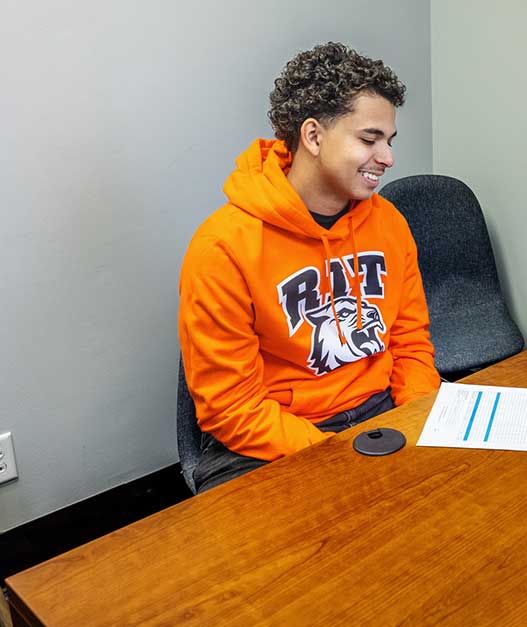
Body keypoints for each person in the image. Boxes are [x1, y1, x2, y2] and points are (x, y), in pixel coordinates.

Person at [179, 42, 440, 493]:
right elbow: (230, 408)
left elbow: (410, 341)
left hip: (379, 410)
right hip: (269, 437)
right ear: (314, 136)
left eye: (389, 141)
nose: (389, 158)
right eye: (369, 139)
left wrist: (419, 418)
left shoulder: (389, 223)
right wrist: (334, 455)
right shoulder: (222, 247)